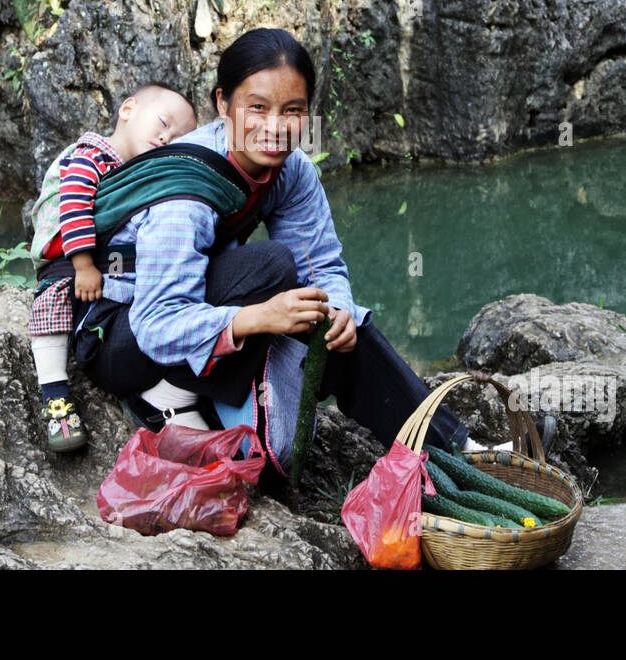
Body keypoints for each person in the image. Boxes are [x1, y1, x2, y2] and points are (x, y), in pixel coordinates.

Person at [69, 29, 486, 467]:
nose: (275, 127)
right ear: (223, 104)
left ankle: (459, 453)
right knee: (271, 265)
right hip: (119, 335)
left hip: (199, 310)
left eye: (293, 111)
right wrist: (259, 317)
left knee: (339, 329)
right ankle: (169, 396)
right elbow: (156, 322)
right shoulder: (186, 191)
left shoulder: (292, 171)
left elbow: (321, 263)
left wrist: (339, 310)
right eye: (257, 108)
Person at [27, 82, 199, 451]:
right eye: (163, 123)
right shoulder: (92, 156)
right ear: (127, 110)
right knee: (53, 305)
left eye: (179, 137)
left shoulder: (134, 169)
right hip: (63, 254)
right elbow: (74, 208)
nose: (167, 138)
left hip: (102, 260)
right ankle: (55, 396)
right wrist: (84, 265)